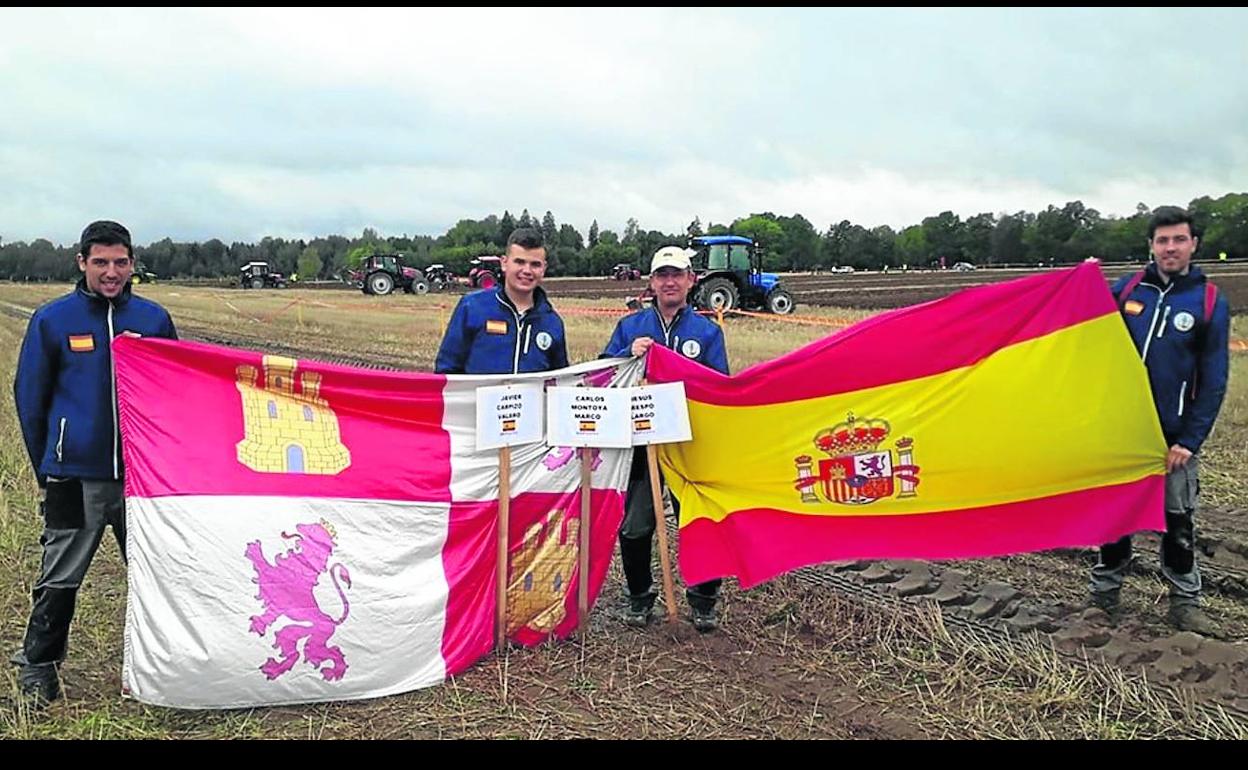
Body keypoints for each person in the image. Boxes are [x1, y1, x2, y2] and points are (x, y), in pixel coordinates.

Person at [12, 220, 178, 705]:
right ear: (81, 262)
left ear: (133, 264)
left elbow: (175, 392)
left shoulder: (153, 319)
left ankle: (165, 664)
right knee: (60, 575)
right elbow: (30, 398)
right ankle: (39, 666)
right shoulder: (53, 320)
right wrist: (48, 466)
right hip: (72, 475)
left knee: (156, 575)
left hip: (141, 479)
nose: (111, 272)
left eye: (120, 262)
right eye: (101, 262)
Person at [1089, 206, 1230, 635]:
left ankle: (1185, 604)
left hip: (1173, 437)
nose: (1170, 248)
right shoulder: (1128, 290)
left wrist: (1189, 440)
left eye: (1179, 239)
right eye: (1163, 240)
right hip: (1122, 431)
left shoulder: (1208, 302)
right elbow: (1084, 328)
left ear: (1193, 244)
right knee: (1116, 517)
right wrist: (1083, 282)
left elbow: (1213, 380)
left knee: (1178, 520)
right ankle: (1104, 596)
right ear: (1151, 245)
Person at [602, 245, 729, 632]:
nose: (669, 281)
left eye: (677, 274)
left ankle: (704, 601)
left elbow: (719, 387)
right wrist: (629, 354)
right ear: (652, 283)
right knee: (636, 526)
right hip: (642, 446)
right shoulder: (630, 327)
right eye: (662, 275)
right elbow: (606, 373)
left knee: (701, 523)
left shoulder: (707, 332)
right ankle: (639, 598)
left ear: (691, 281)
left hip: (691, 446)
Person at [435, 228, 568, 375]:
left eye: (535, 264)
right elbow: (446, 371)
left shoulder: (552, 322)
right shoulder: (471, 307)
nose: (527, 270)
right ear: (504, 263)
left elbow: (558, 382)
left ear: (544, 269)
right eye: (519, 262)